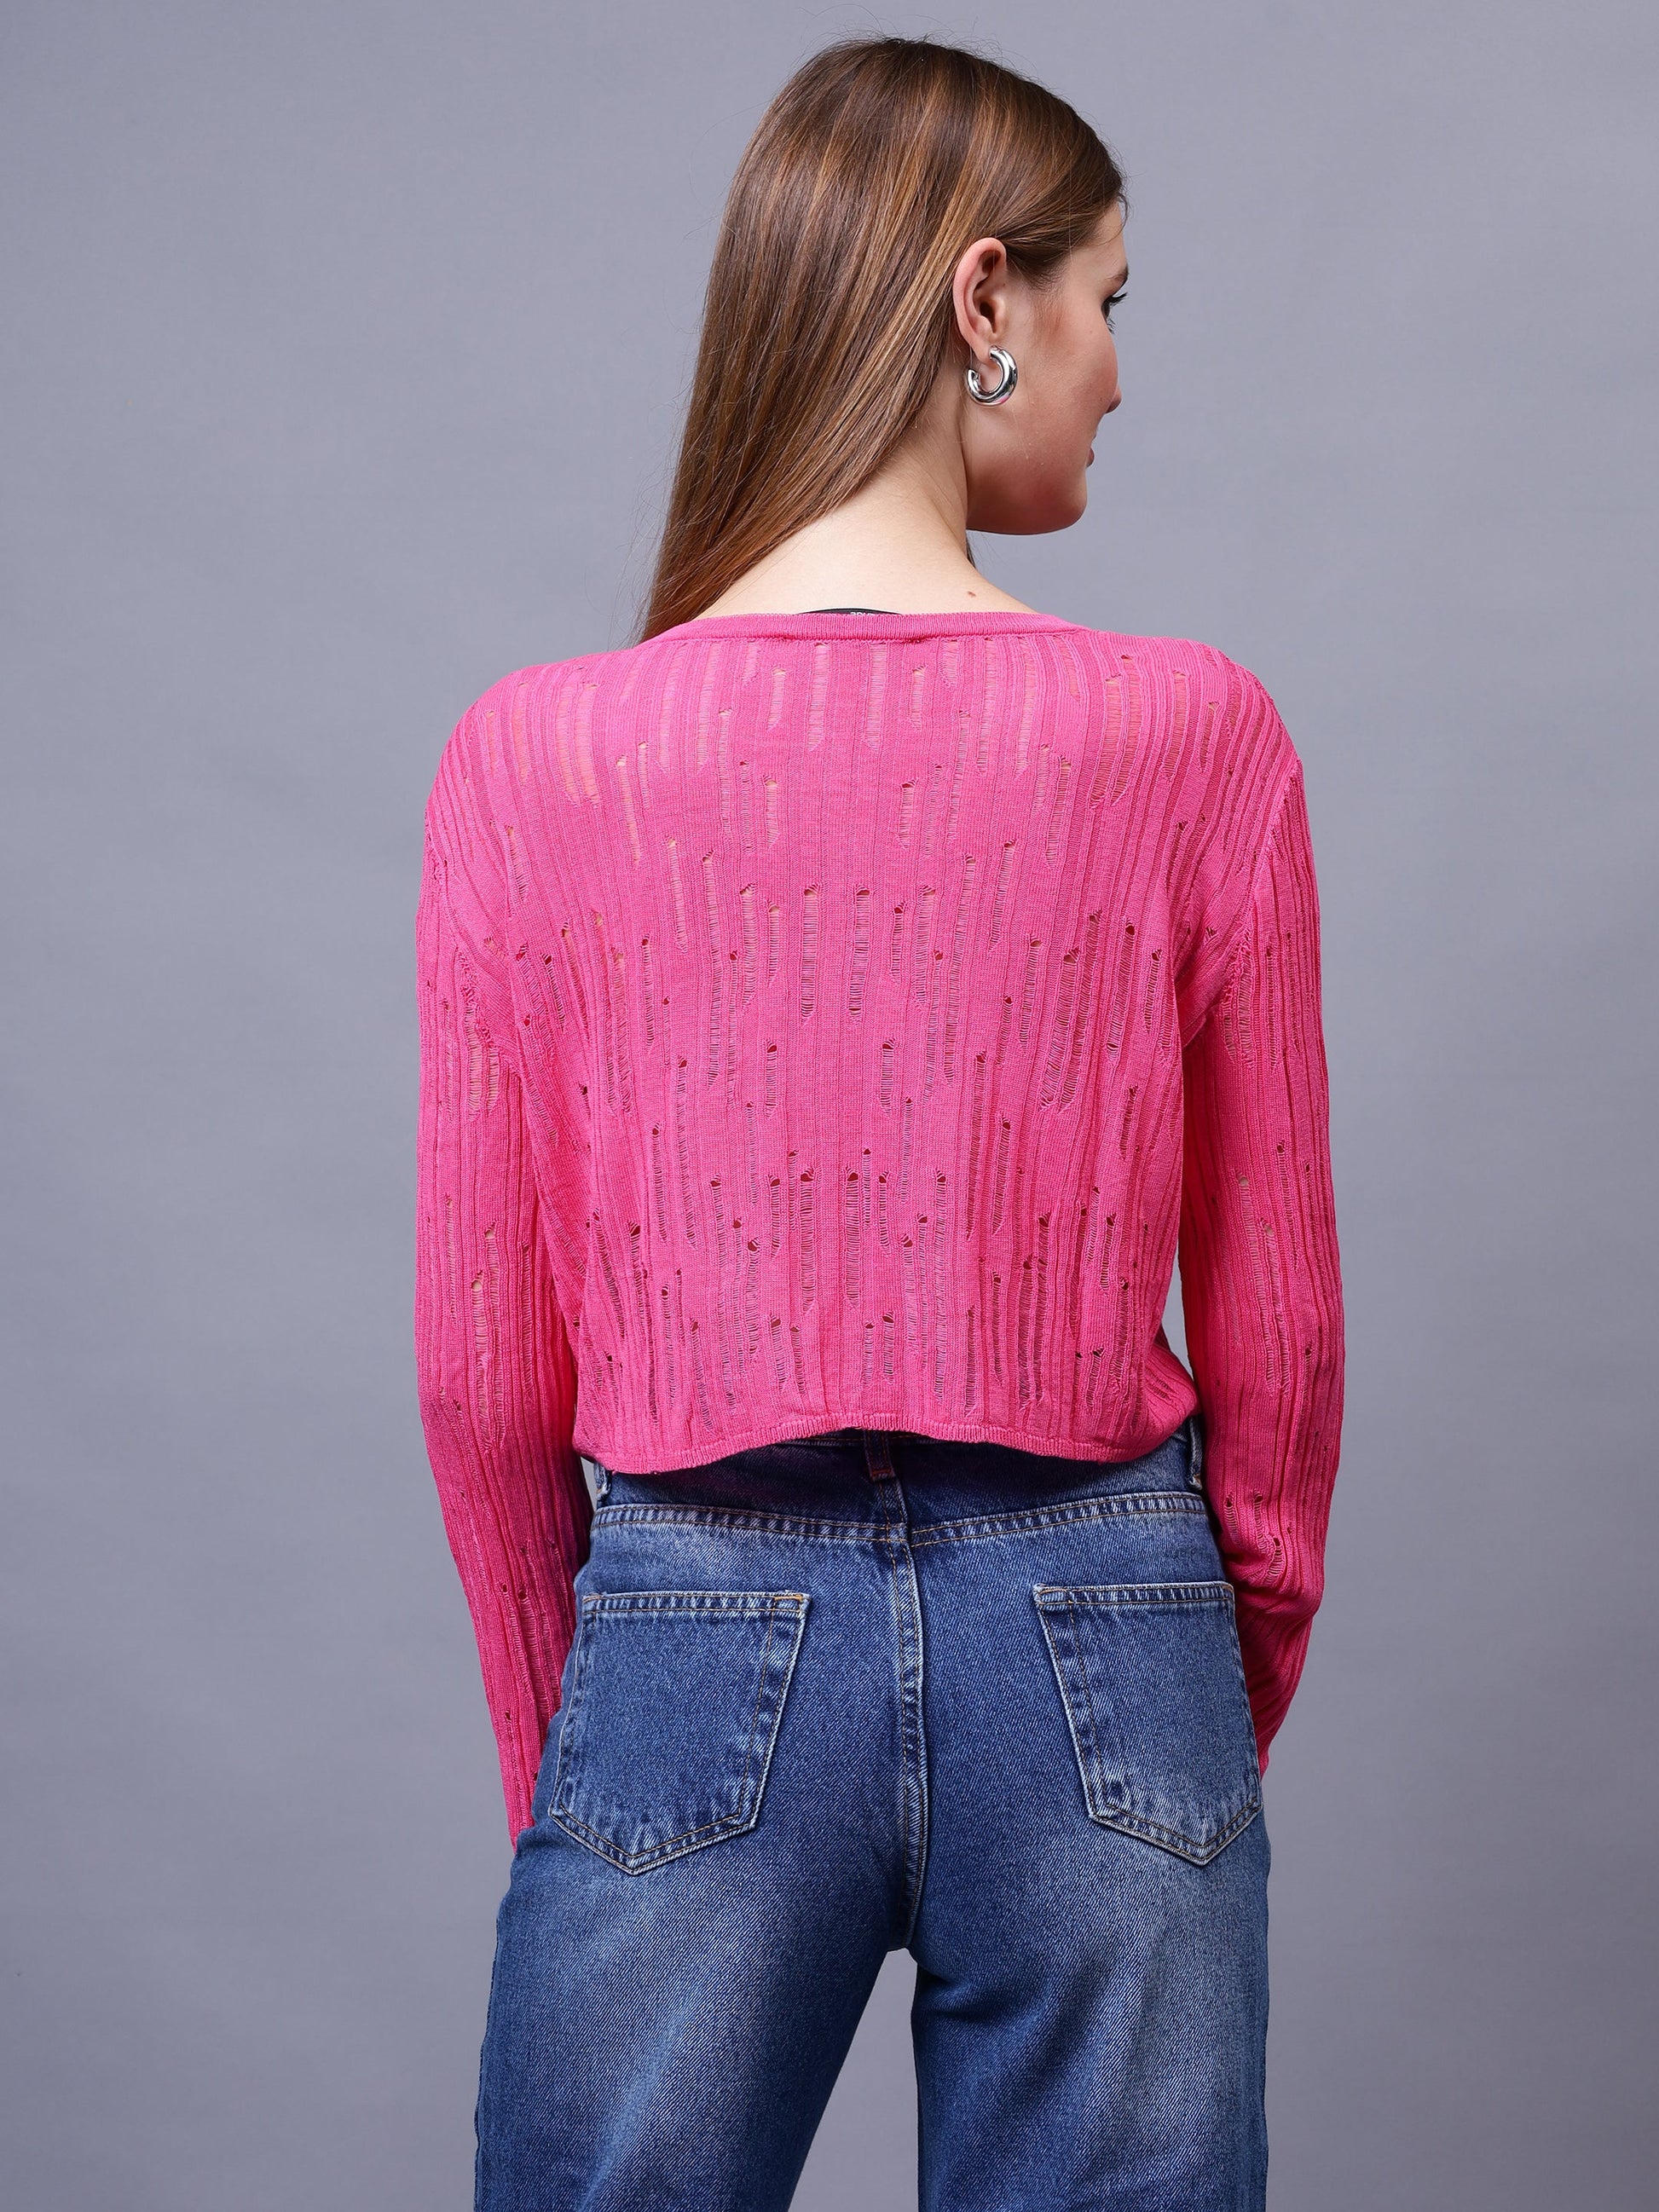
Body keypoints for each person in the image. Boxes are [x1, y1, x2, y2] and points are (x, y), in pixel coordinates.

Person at [414, 32, 1345, 2212]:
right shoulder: (1194, 733)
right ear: (983, 296)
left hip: (685, 1622)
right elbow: (1281, 1341)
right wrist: (1187, 1690)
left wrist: (584, 1744)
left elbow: (480, 1374)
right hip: (1105, 1614)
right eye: (1109, 299)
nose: (1117, 370)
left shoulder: (533, 758)